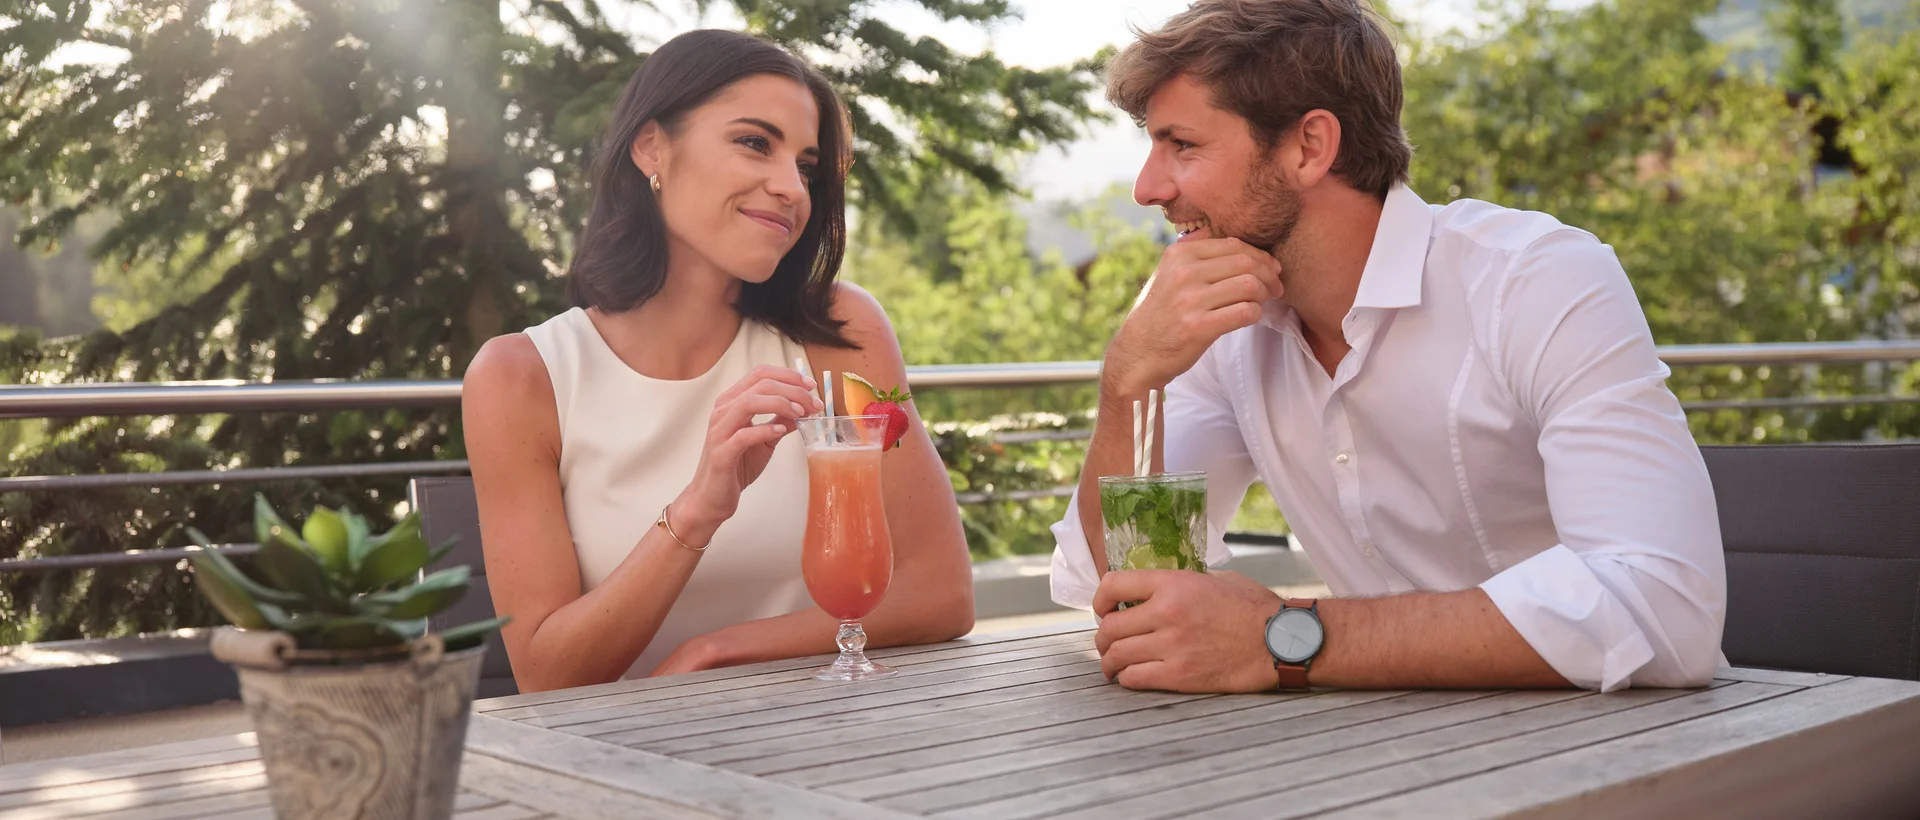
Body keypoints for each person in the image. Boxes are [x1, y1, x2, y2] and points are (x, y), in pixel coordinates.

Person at [1050, 0, 1725, 694]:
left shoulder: (1536, 281)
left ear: (1310, 146)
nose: (1147, 188)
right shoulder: (1226, 330)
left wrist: (1283, 636)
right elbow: (1110, 582)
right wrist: (1128, 383)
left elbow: (1665, 615)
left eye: (1182, 146)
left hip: (1623, 751)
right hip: (1387, 759)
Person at [463, 30, 974, 692]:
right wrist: (701, 506)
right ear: (652, 147)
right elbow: (547, 673)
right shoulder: (521, 378)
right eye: (755, 143)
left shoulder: (837, 332)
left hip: (826, 749)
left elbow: (940, 593)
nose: (791, 188)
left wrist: (717, 652)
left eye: (808, 166)